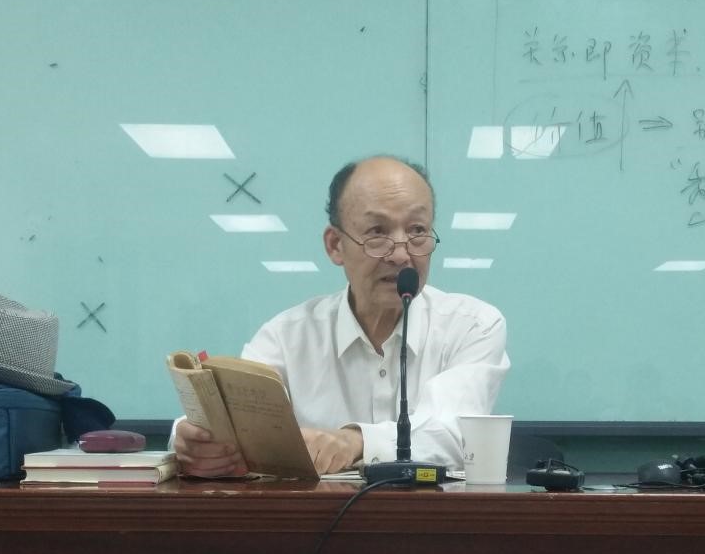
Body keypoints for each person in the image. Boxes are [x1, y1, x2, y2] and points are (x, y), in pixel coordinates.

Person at [173, 155, 510, 476]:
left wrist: (355, 441)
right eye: (377, 231)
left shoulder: (473, 325)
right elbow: (234, 415)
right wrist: (193, 440)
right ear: (335, 245)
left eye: (417, 230)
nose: (401, 253)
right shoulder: (287, 337)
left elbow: (457, 432)